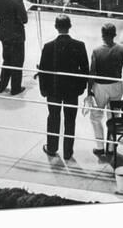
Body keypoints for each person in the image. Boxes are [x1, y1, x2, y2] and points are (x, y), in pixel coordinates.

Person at [39, 15, 89, 160]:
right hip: (72, 90)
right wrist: (81, 88)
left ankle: (52, 147)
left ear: (56, 27)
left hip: (53, 89)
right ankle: (68, 152)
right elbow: (85, 69)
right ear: (70, 26)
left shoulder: (49, 47)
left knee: (53, 118)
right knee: (70, 120)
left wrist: (43, 89)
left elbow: (43, 70)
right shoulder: (79, 45)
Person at [87, 23, 123, 155]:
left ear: (102, 35)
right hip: (116, 85)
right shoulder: (121, 49)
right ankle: (111, 148)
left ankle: (100, 147)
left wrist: (89, 91)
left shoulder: (96, 51)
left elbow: (92, 72)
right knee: (113, 117)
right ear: (114, 35)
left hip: (100, 86)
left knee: (96, 117)